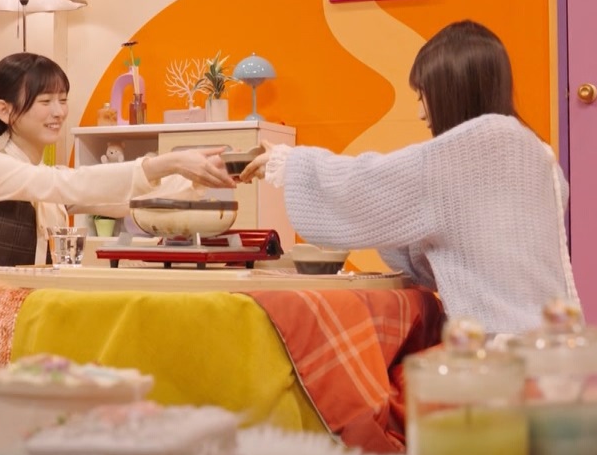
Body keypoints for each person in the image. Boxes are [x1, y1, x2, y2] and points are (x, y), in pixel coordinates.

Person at [240, 20, 576, 333]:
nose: (420, 113)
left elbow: (367, 182)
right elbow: (450, 256)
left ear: (451, 91)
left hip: (497, 355)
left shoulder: (464, 153)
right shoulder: (538, 154)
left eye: (422, 96)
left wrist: (288, 162)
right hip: (558, 346)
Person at [0, 52, 234, 275]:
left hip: (33, 308)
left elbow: (125, 200)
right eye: (45, 101)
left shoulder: (48, 183)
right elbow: (71, 184)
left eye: (63, 100)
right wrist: (168, 162)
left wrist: (205, 175)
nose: (59, 112)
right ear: (4, 110)